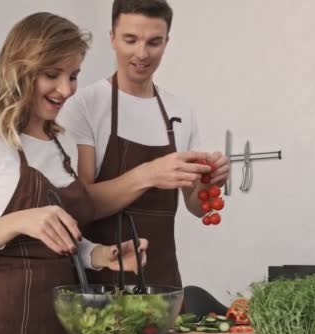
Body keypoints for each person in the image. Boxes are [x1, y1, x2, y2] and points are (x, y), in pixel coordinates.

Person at [0, 12, 148, 334]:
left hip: (59, 322)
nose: (66, 89)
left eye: (73, 75)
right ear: (20, 69)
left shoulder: (64, 143)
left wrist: (98, 255)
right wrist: (16, 222)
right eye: (52, 74)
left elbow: (61, 239)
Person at [58, 0, 230, 289]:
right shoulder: (84, 105)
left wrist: (211, 181)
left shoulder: (181, 110)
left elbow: (195, 206)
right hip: (101, 283)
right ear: (112, 38)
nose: (142, 53)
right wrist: (150, 174)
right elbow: (82, 204)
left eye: (154, 42)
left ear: (166, 43)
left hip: (163, 280)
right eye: (130, 40)